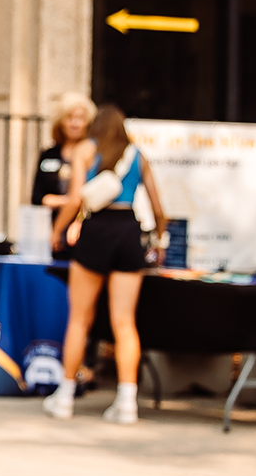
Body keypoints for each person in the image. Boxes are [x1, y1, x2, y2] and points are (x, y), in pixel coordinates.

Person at [42, 104, 166, 424]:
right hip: (128, 230)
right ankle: (127, 402)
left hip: (96, 230)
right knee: (124, 322)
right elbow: (158, 207)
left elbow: (74, 200)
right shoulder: (137, 154)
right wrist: (160, 239)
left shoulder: (86, 149)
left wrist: (57, 232)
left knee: (79, 320)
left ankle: (66, 397)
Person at [30, 92, 96, 259]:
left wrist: (68, 203)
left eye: (80, 118)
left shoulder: (94, 154)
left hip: (83, 232)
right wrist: (71, 200)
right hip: (48, 232)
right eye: (69, 117)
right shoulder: (49, 154)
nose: (75, 124)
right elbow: (37, 197)